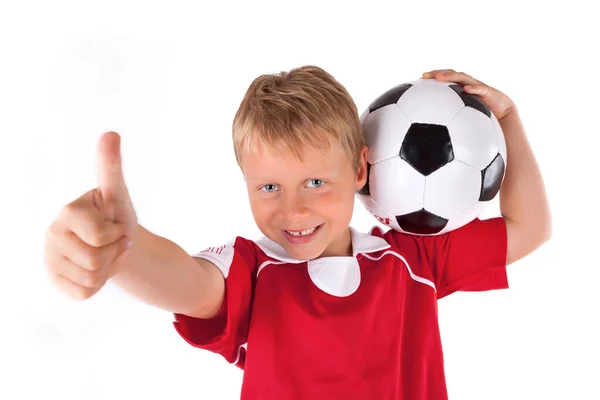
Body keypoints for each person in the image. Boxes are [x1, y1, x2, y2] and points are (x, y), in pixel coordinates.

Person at [44, 66, 552, 399]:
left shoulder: (411, 261)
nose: (294, 209)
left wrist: (509, 122)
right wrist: (124, 251)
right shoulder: (255, 271)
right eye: (269, 186)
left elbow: (529, 227)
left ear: (359, 171)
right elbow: (190, 284)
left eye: (315, 181)